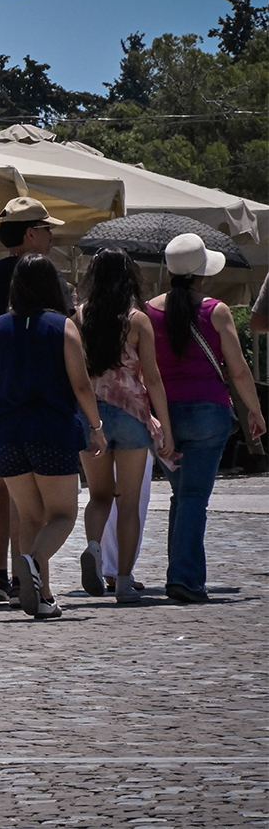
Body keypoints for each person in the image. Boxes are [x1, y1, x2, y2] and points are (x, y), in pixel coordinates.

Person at [0, 254, 106, 619]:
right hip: (53, 432)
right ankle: (31, 561)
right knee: (62, 514)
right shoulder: (63, 327)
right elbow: (80, 384)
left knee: (29, 516)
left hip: (9, 435)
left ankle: (41, 595)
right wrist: (96, 427)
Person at [0, 196, 71, 605]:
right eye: (46, 229)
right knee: (37, 504)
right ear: (30, 233)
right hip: (43, 411)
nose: (51, 236)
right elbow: (69, 339)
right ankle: (32, 580)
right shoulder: (47, 277)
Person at [146, 234, 266, 603]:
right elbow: (239, 369)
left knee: (182, 494)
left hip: (163, 413)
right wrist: (255, 411)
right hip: (208, 413)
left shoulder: (148, 311)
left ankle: (178, 573)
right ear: (203, 273)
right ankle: (184, 578)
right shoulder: (216, 310)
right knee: (195, 496)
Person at [73, 248, 175, 604]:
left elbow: (74, 374)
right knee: (128, 502)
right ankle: (126, 579)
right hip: (132, 415)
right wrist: (166, 428)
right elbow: (154, 378)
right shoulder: (137, 320)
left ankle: (94, 547)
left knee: (99, 496)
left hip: (92, 416)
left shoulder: (78, 318)